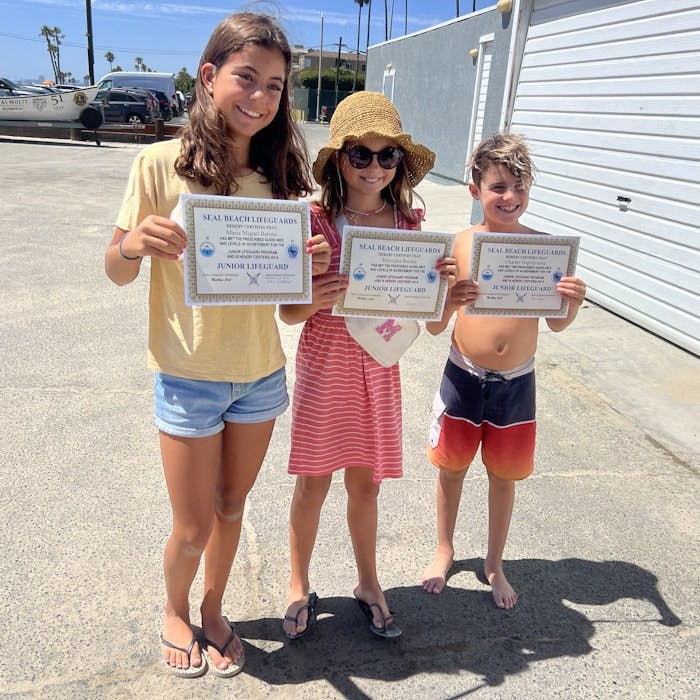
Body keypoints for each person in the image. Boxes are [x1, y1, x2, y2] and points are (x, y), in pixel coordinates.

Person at [104, 12, 330, 678]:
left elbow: (289, 312)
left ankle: (211, 608)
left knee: (233, 507)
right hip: (187, 376)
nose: (259, 98)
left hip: (260, 375)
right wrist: (131, 245)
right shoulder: (157, 166)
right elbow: (114, 271)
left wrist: (312, 279)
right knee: (195, 524)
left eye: (275, 86)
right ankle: (174, 609)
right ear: (209, 77)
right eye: (246, 78)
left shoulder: (282, 180)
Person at [279, 91, 451, 640]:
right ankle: (297, 581)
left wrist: (444, 289)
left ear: (400, 163)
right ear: (338, 160)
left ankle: (368, 581)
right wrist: (318, 292)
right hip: (325, 361)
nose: (374, 167)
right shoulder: (312, 221)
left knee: (366, 486)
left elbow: (430, 318)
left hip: (379, 365)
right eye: (361, 155)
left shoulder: (408, 226)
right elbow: (289, 312)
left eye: (387, 156)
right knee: (312, 484)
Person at [421, 133, 587, 609]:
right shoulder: (457, 245)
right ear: (475, 190)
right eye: (497, 187)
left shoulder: (545, 250)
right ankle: (445, 548)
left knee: (503, 477)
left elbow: (556, 323)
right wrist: (450, 301)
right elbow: (435, 328)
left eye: (519, 186)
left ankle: (494, 563)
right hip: (462, 375)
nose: (509, 197)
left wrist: (571, 301)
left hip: (517, 381)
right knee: (450, 470)